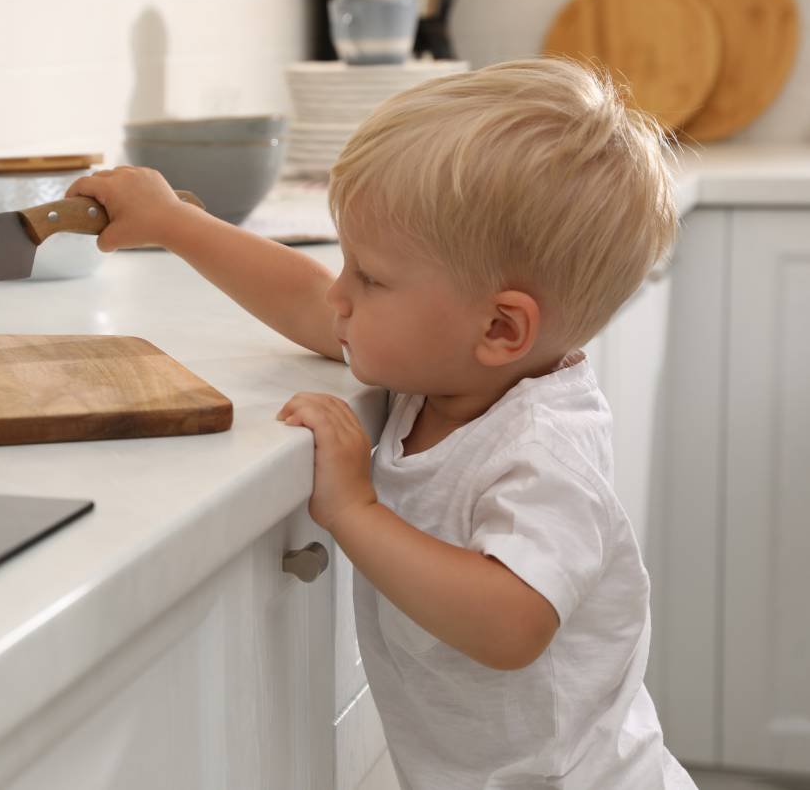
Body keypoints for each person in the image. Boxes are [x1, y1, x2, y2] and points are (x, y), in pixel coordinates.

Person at [66, 57, 697, 788]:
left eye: (368, 276)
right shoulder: (449, 369)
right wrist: (175, 222)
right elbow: (307, 299)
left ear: (499, 326)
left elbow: (512, 621)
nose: (341, 294)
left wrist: (356, 509)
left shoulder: (546, 446)